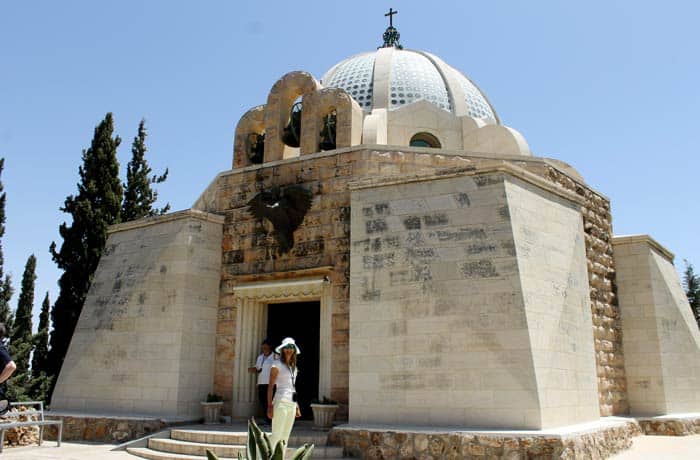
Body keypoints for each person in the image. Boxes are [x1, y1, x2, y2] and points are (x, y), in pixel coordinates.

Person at [267, 337, 301, 452]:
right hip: (280, 402)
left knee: (285, 437)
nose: (289, 350)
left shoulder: (293, 368)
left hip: (291, 404)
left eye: (291, 347)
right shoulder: (276, 365)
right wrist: (269, 406)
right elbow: (271, 386)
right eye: (287, 347)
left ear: (294, 350)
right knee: (276, 434)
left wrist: (297, 406)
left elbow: (293, 387)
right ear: (282, 349)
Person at [247, 338, 276, 424]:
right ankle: (267, 420)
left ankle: (273, 420)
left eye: (265, 348)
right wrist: (253, 369)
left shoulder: (275, 357)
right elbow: (258, 368)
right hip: (261, 383)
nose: (264, 349)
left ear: (270, 347)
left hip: (271, 383)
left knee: (271, 402)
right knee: (263, 401)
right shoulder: (260, 357)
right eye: (263, 348)